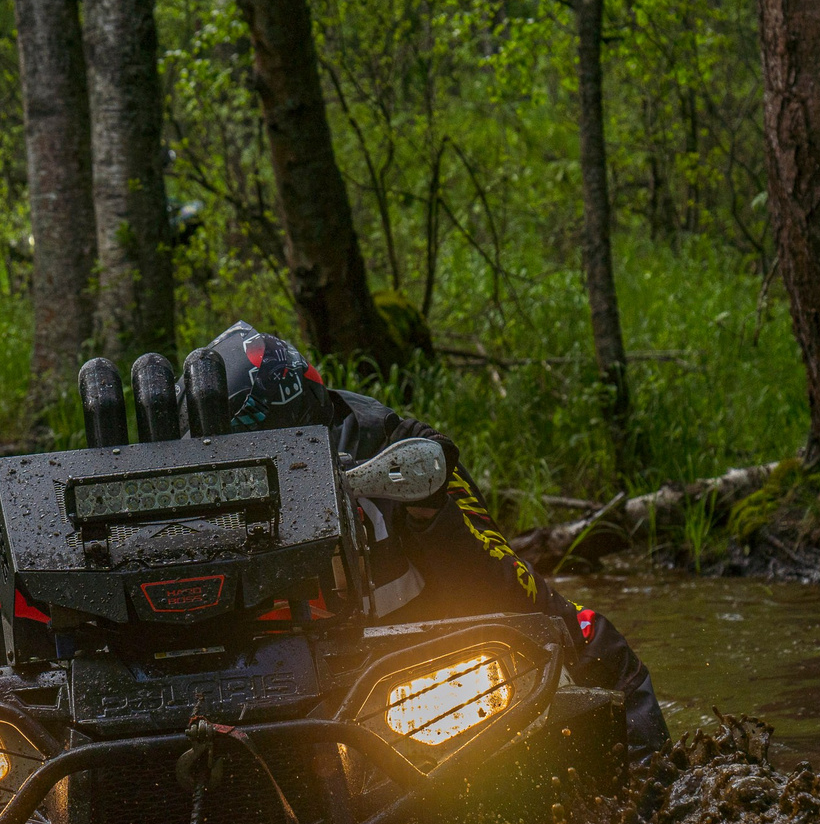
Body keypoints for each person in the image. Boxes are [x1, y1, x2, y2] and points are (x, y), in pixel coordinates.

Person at [203, 321, 669, 753]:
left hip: (409, 681)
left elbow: (506, 586)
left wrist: (430, 512)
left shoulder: (403, 453)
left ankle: (651, 803)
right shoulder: (186, 502)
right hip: (264, 699)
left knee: (585, 636)